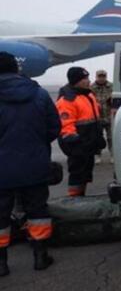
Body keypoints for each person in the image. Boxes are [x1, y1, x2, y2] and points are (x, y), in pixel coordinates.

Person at [0, 52, 59, 275]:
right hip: (35, 164)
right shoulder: (40, 94)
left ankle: (2, 263)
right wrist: (37, 145)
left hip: (2, 169)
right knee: (38, 211)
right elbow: (54, 127)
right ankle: (40, 256)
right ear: (16, 68)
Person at [56, 67, 106, 196]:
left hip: (88, 144)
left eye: (88, 78)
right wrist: (75, 143)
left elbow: (94, 117)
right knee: (77, 175)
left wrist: (98, 137)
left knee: (85, 175)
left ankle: (81, 197)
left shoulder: (88, 95)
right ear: (75, 81)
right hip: (78, 146)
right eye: (84, 79)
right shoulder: (67, 100)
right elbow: (66, 125)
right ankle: (73, 201)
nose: (88, 81)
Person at [90, 69, 113, 165]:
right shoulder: (91, 88)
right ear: (96, 77)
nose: (101, 78)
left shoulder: (111, 86)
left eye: (103, 76)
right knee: (97, 137)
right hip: (97, 117)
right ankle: (98, 155)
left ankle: (112, 155)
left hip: (109, 116)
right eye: (100, 76)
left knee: (111, 137)